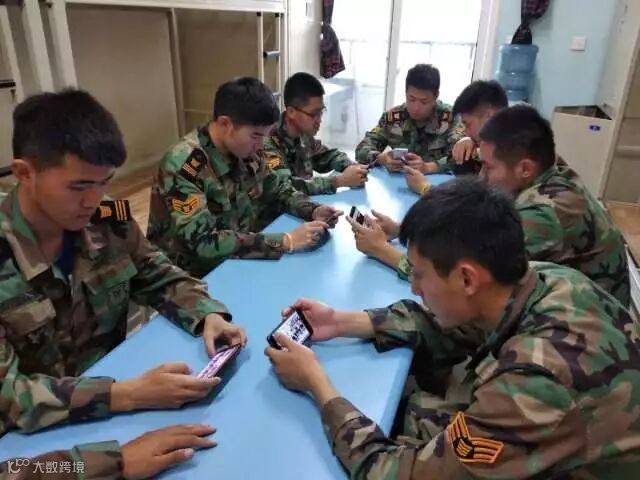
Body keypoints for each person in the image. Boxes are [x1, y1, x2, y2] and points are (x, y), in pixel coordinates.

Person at [266, 177, 640, 479]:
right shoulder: (548, 279)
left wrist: (318, 385)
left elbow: (396, 474)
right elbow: (463, 328)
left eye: (420, 275)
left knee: (407, 418)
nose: (414, 287)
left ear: (466, 278)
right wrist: (340, 322)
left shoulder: (536, 383)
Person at [0, 89, 246, 478]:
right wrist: (127, 395)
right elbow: (9, 396)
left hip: (112, 408)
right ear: (24, 173)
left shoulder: (106, 221)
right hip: (40, 442)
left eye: (105, 182)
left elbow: (157, 273)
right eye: (79, 186)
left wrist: (207, 315)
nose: (94, 199)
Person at [352, 106, 630, 307]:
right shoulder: (545, 169)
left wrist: (382, 251)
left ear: (524, 168)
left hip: (586, 333)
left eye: (487, 167)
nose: (482, 177)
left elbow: (463, 278)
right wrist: (404, 230)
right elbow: (476, 231)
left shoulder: (545, 213)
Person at [147, 77, 342, 277]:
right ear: (225, 124)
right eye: (256, 136)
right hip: (190, 277)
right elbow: (204, 243)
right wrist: (285, 241)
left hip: (236, 262)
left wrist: (312, 209)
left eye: (264, 136)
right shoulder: (184, 165)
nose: (260, 145)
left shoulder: (246, 149)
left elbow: (277, 189)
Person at [262, 72, 368, 195]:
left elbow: (326, 156)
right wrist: (339, 181)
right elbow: (285, 187)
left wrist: (352, 167)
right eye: (314, 114)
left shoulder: (303, 134)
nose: (319, 120)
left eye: (321, 112)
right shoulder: (267, 142)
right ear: (291, 112)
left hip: (306, 205)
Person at [403, 79, 509, 195]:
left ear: (490, 116)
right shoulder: (487, 147)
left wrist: (424, 187)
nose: (466, 133)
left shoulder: (509, 156)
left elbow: (475, 204)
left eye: (468, 124)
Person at [355, 64, 464, 175]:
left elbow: (462, 155)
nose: (416, 108)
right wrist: (382, 158)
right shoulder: (393, 118)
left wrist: (429, 167)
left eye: (424, 102)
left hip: (440, 183)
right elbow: (362, 149)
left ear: (436, 96)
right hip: (398, 181)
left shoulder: (451, 118)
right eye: (411, 99)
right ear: (406, 93)